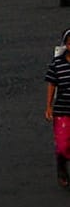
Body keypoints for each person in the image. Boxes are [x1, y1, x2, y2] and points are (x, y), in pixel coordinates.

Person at [43, 28, 70, 188]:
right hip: (62, 109)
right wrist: (48, 106)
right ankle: (61, 167)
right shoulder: (58, 63)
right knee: (62, 144)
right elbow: (52, 84)